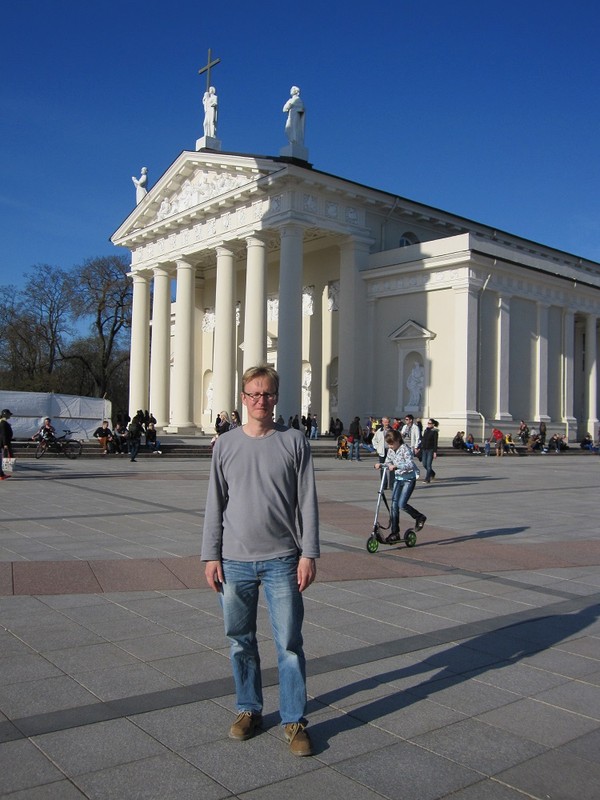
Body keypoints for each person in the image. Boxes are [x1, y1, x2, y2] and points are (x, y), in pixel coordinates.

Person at [202, 365, 319, 757]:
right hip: (233, 561)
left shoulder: (294, 442)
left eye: (267, 394)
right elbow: (215, 504)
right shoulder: (225, 445)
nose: (260, 401)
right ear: (242, 398)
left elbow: (307, 501)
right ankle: (249, 708)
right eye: (253, 394)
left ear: (276, 397)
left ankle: (293, 719)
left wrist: (309, 553)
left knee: (288, 643)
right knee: (240, 642)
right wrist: (209, 555)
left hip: (283, 559)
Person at [374, 429, 426, 540]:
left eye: (392, 444)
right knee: (394, 506)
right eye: (389, 444)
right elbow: (388, 462)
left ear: (398, 440)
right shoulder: (391, 450)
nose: (390, 446)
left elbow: (410, 464)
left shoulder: (405, 449)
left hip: (408, 479)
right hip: (398, 479)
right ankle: (395, 533)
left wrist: (397, 466)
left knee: (401, 504)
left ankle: (419, 517)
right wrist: (381, 464)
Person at [372, 416, 393, 489]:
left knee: (391, 468)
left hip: (390, 451)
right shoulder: (379, 431)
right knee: (382, 468)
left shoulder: (392, 430)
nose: (387, 423)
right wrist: (377, 447)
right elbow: (374, 440)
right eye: (385, 422)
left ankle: (392, 485)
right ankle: (384, 485)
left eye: (388, 422)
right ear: (382, 422)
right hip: (382, 451)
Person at [421, 418, 439, 483]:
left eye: (430, 423)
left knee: (428, 465)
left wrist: (435, 452)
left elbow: (435, 443)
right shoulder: (426, 430)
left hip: (430, 450)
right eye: (428, 423)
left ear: (433, 424)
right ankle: (432, 473)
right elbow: (423, 439)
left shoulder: (434, 432)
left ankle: (427, 479)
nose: (428, 424)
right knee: (424, 464)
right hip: (424, 449)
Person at [0, 409, 14, 480]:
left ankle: (1, 474)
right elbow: (3, 434)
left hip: (4, 442)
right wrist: (5, 444)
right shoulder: (3, 423)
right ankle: (1, 474)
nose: (10, 416)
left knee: (2, 458)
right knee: (2, 458)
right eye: (9, 414)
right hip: (3, 443)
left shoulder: (3, 422)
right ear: (5, 414)